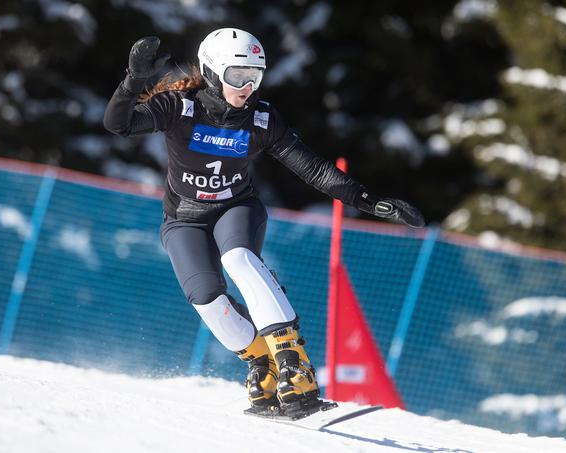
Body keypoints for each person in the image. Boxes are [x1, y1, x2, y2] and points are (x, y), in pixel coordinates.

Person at [103, 28, 425, 414]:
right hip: (183, 220)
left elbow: (315, 170)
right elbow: (117, 125)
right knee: (207, 300)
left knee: (237, 258)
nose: (248, 87)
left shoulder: (260, 118)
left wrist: (371, 202)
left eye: (255, 77)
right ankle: (263, 362)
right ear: (211, 72)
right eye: (239, 77)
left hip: (235, 209)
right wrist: (134, 80)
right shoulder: (179, 106)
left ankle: (293, 361)